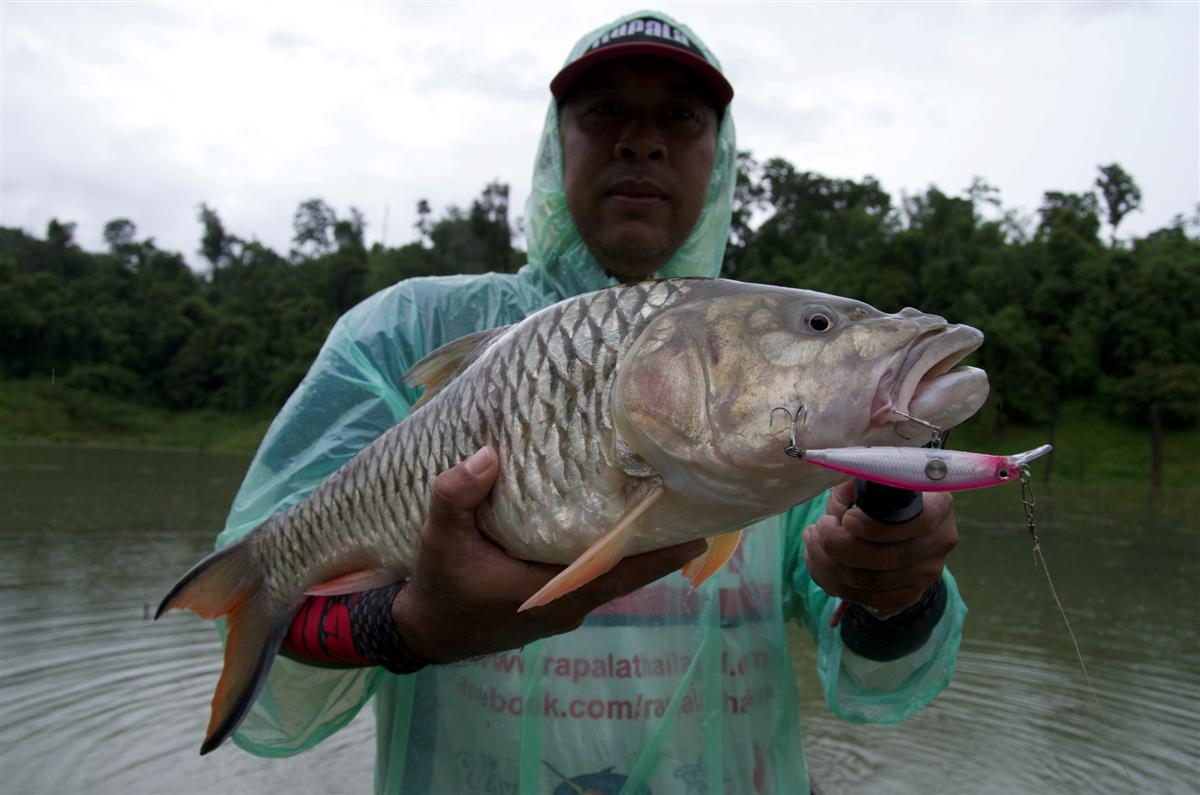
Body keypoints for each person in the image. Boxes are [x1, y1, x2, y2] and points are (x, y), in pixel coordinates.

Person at [216, 10, 966, 794]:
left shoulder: (791, 416)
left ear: (720, 154)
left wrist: (897, 582)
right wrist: (407, 626)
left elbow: (875, 662)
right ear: (555, 143)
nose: (642, 141)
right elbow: (288, 628)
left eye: (680, 115)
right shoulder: (399, 335)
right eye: (603, 109)